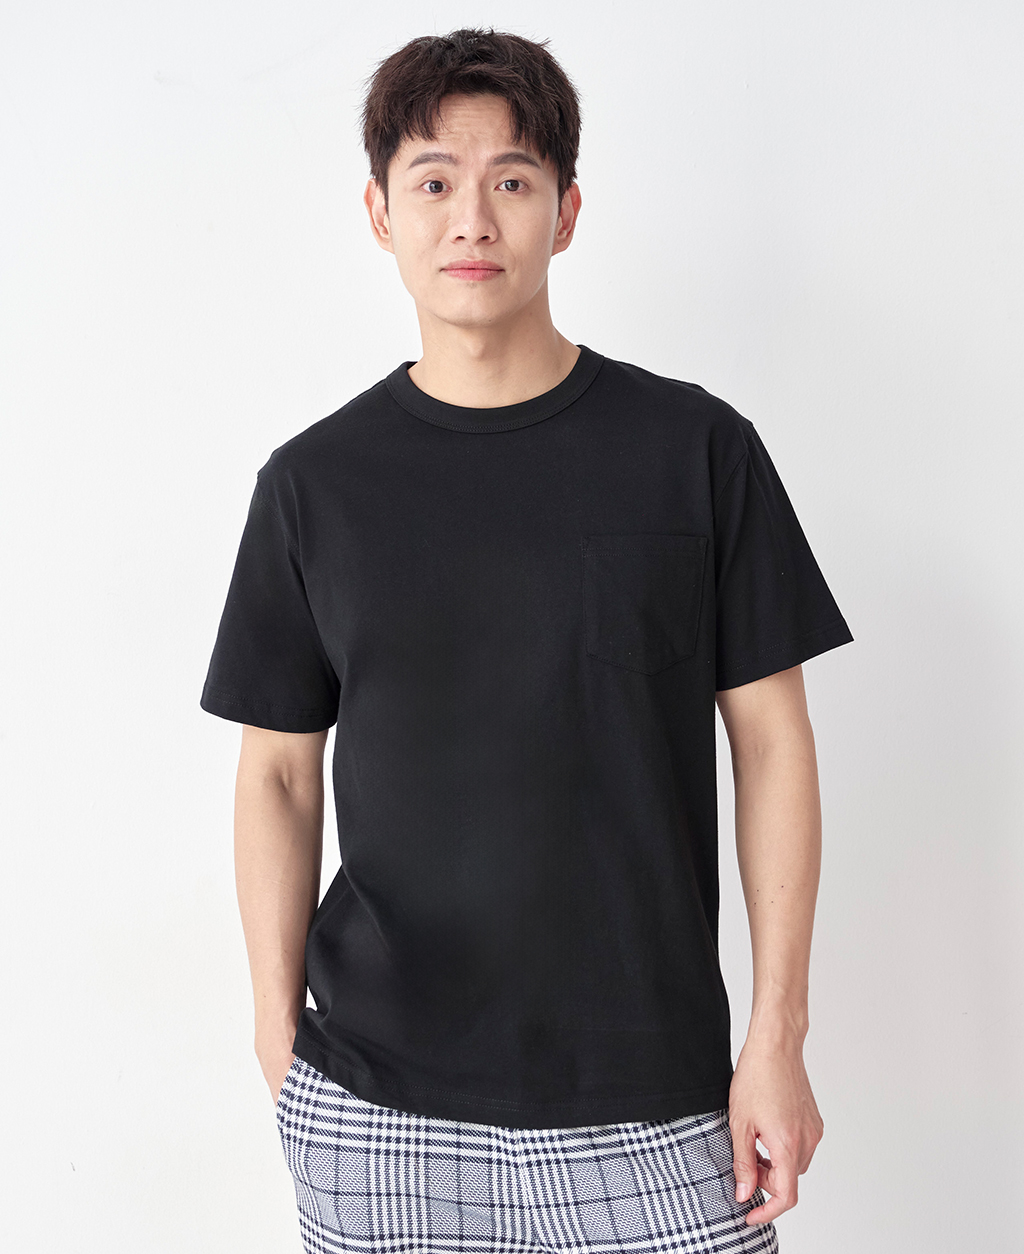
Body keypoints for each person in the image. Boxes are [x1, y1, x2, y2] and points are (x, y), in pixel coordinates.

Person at [200, 26, 853, 1254]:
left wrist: (777, 1036)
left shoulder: (695, 451)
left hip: (655, 1100)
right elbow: (278, 771)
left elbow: (772, 742)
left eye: (511, 178)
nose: (472, 218)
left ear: (565, 212)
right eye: (432, 181)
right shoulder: (313, 485)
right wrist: (278, 1040)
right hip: (377, 1107)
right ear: (379, 214)